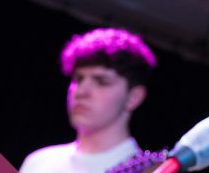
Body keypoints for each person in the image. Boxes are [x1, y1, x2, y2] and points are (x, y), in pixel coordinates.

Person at [20, 28, 158, 173]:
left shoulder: (149, 170)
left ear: (133, 97)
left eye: (101, 81)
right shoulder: (39, 162)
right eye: (78, 79)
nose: (81, 92)